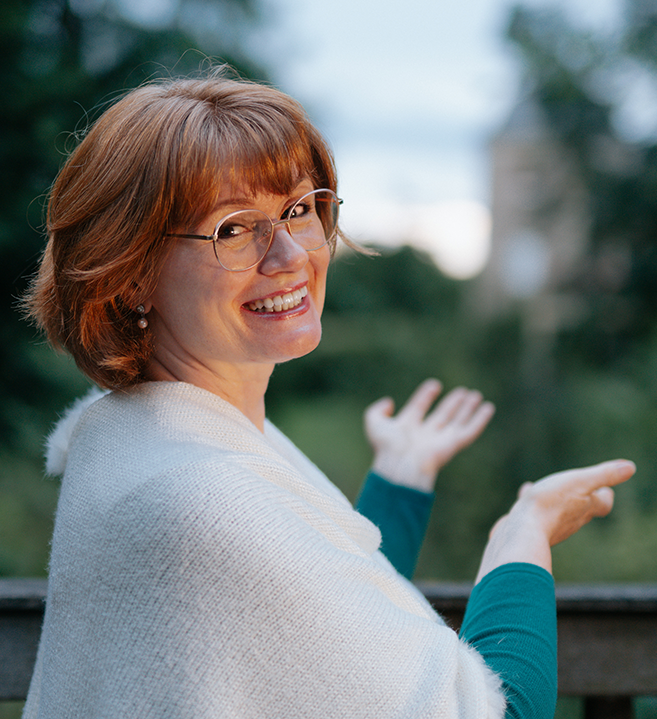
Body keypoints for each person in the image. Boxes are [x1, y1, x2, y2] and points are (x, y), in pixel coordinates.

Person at [21, 69, 635, 719]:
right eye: (232, 228)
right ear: (131, 272)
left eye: (297, 209)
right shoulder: (200, 500)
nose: (288, 252)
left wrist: (397, 483)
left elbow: (309, 638)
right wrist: (522, 536)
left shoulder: (136, 438)